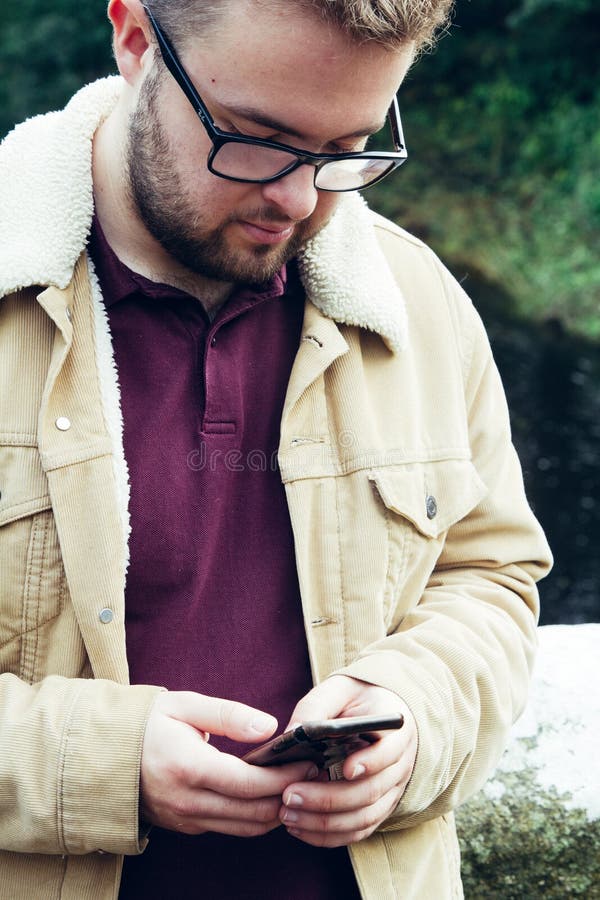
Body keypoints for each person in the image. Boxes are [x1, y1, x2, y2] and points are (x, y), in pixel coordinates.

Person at [0, 0, 552, 897]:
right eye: (257, 138)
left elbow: (491, 577)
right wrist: (102, 763)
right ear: (136, 41)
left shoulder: (423, 300)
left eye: (347, 149)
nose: (301, 201)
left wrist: (414, 715)